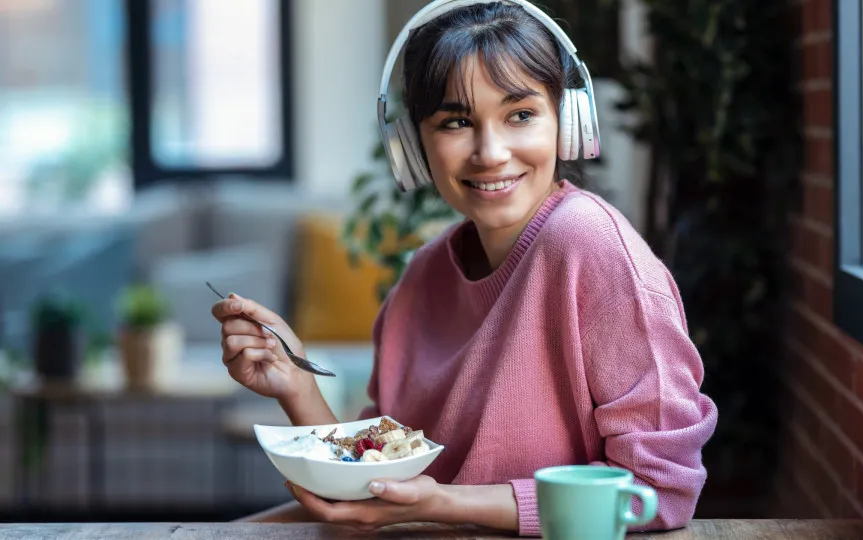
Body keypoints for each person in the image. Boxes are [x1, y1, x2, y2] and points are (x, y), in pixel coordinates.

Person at [211, 0, 718, 536]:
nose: (490, 152)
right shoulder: (422, 278)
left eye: (520, 114)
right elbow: (375, 485)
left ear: (567, 122)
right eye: (456, 121)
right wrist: (295, 383)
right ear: (413, 147)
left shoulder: (590, 247)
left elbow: (659, 492)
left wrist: (444, 504)